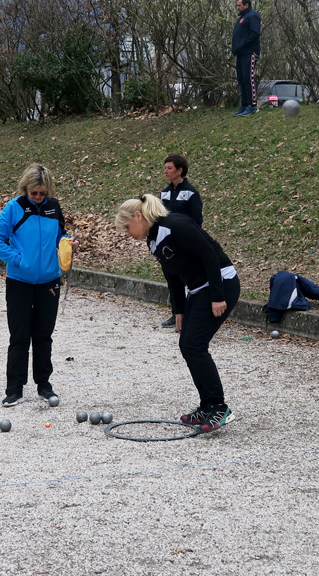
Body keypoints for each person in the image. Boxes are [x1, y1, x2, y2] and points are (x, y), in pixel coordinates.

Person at [115, 194, 240, 432]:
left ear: (139, 217)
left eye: (128, 227)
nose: (128, 234)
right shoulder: (152, 239)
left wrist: (217, 296)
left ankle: (220, 407)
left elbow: (209, 255)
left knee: (194, 345)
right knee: (187, 345)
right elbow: (172, 274)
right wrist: (179, 310)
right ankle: (206, 406)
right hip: (199, 289)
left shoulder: (175, 226)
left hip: (220, 284)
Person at [0, 164, 71, 407]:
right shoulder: (14, 207)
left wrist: (67, 243)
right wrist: (18, 259)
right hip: (20, 282)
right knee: (20, 335)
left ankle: (44, 385)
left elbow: (60, 236)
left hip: (49, 281)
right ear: (26, 188)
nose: (38, 197)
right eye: (34, 193)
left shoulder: (54, 207)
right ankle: (14, 388)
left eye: (42, 193)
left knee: (44, 335)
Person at [158, 154, 203, 327]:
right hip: (168, 245)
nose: (165, 171)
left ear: (180, 170)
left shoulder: (191, 193)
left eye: (169, 168)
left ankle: (191, 314)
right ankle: (176, 312)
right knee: (171, 279)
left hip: (186, 244)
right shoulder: (164, 194)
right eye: (165, 168)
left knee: (189, 280)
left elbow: (197, 221)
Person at [231, 0, 262, 117]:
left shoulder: (252, 16)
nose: (237, 8)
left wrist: (243, 45)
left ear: (246, 5)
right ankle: (244, 105)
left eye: (239, 5)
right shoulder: (242, 18)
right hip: (240, 53)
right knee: (241, 79)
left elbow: (255, 33)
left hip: (249, 52)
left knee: (248, 78)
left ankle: (252, 105)